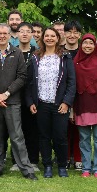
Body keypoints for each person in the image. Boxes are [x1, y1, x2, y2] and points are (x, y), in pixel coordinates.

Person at [0, 24, 38, 181]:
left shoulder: (17, 53)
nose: (2, 36)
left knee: (17, 136)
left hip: (12, 101)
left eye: (5, 33)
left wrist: (6, 94)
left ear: (9, 36)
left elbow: (22, 77)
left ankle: (26, 169)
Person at [26, 27, 76, 178]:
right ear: (42, 38)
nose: (49, 38)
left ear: (57, 38)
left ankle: (62, 166)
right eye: (46, 36)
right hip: (41, 103)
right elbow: (28, 83)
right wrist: (30, 102)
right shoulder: (35, 57)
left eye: (52, 36)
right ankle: (47, 165)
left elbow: (71, 82)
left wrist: (67, 102)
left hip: (59, 104)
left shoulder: (65, 57)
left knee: (60, 136)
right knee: (44, 136)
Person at [72, 34, 97, 178]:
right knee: (83, 139)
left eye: (91, 43)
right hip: (81, 105)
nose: (88, 46)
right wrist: (71, 108)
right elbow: (72, 85)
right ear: (81, 45)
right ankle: (86, 168)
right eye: (85, 43)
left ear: (95, 46)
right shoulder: (75, 63)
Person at [12, 22, 40, 171]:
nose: (24, 34)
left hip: (33, 97)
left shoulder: (37, 53)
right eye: (21, 31)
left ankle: (33, 160)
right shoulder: (12, 51)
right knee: (16, 130)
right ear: (16, 34)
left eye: (27, 31)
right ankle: (17, 161)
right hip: (14, 95)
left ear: (32, 34)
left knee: (32, 129)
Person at [63, 20, 82, 170]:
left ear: (79, 35)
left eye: (75, 32)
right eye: (69, 31)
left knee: (78, 127)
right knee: (64, 129)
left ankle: (78, 157)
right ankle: (64, 157)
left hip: (81, 95)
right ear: (64, 33)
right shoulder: (59, 51)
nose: (72, 35)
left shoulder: (84, 51)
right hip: (62, 95)